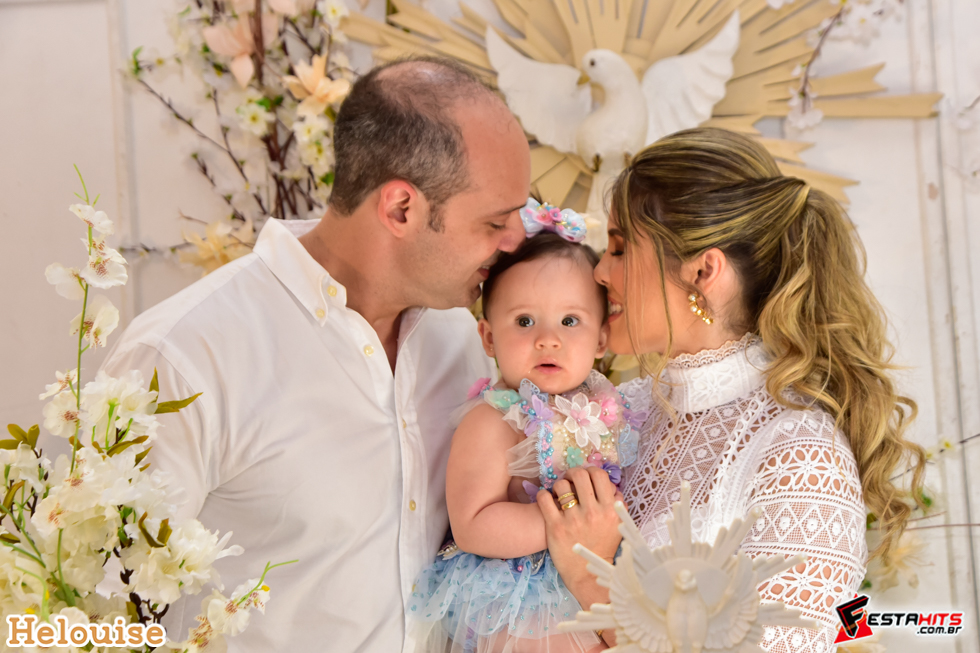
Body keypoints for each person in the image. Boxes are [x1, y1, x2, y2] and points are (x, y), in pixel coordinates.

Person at [100, 57, 530, 652]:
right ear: (401, 209)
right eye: (496, 221)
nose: (516, 240)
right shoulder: (183, 357)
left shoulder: (465, 337)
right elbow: (103, 610)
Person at [537, 128, 926, 652]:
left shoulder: (800, 459)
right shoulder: (625, 407)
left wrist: (593, 576)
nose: (600, 271)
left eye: (621, 248)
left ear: (703, 271)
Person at [408, 203, 638, 653]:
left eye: (570, 321)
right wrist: (567, 525)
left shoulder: (610, 406)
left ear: (600, 339)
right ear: (489, 337)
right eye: (524, 321)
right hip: (520, 599)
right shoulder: (493, 419)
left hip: (593, 582)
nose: (547, 338)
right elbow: (472, 523)